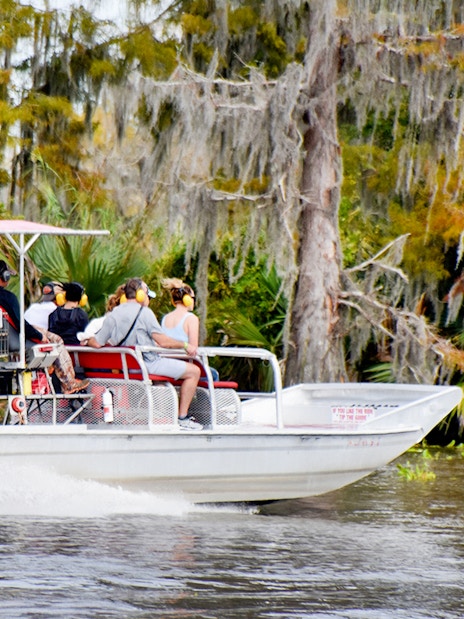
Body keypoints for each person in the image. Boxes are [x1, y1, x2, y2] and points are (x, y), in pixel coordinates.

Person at [87, 277, 202, 429]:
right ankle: (182, 417)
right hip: (148, 364)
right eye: (147, 294)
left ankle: (159, 414)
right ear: (140, 294)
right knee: (194, 371)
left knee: (163, 380)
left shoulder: (114, 313)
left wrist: (87, 340)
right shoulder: (145, 313)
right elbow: (163, 342)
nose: (148, 298)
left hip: (127, 368)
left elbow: (96, 342)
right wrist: (185, 345)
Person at [0, 260, 89, 394]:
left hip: (7, 341)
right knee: (56, 341)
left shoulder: (37, 308)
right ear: (4, 276)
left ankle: (66, 381)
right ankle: (69, 383)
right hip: (17, 341)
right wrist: (39, 336)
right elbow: (21, 326)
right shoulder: (8, 297)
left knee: (52, 337)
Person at [161, 278, 219, 381]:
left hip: (168, 365)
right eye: (193, 298)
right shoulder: (191, 318)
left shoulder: (165, 318)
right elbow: (193, 348)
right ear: (187, 299)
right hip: (184, 366)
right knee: (214, 374)